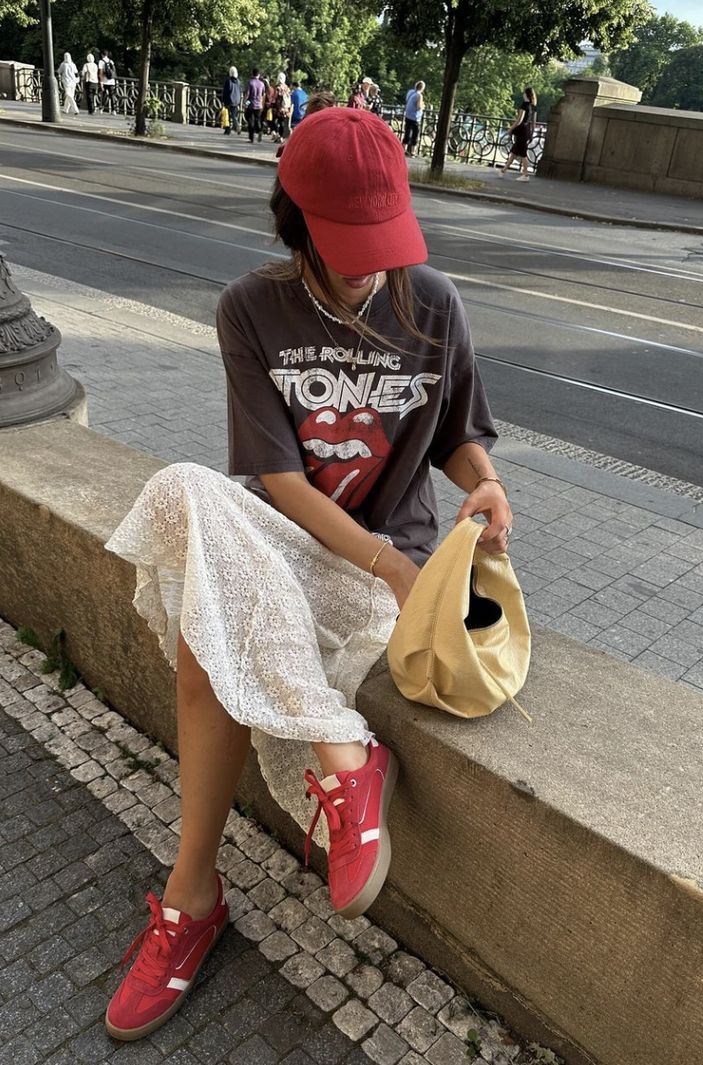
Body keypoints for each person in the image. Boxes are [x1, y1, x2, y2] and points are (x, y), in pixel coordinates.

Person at [103, 106, 512, 1042]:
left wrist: (485, 486)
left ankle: (192, 897)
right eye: (344, 241)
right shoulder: (250, 308)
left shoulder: (431, 301)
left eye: (382, 237)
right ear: (294, 221)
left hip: (383, 578)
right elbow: (277, 481)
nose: (368, 264)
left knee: (206, 645)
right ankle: (342, 754)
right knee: (186, 487)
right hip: (291, 550)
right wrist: (386, 564)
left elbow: (456, 437)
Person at [498, 86, 536, 181]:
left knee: (522, 154)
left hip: (521, 131)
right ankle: (503, 171)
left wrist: (511, 129)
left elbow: (519, 120)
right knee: (514, 152)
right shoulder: (532, 106)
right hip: (526, 130)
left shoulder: (524, 105)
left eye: (524, 93)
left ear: (526, 94)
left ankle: (525, 175)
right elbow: (533, 121)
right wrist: (532, 132)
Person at [403, 80, 425, 157]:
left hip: (407, 115)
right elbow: (418, 107)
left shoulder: (410, 92)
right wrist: (423, 106)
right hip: (415, 118)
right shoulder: (419, 95)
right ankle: (413, 152)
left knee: (407, 133)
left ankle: (403, 149)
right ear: (422, 88)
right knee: (415, 135)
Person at [246, 67, 266, 143]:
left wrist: (245, 103)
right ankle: (260, 130)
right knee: (257, 120)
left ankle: (251, 138)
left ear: (252, 74)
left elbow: (248, 94)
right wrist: (262, 104)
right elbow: (263, 95)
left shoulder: (250, 82)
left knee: (250, 120)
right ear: (259, 75)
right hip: (259, 105)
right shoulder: (262, 84)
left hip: (250, 104)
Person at [221, 66, 241, 135]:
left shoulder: (228, 81)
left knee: (229, 115)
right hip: (236, 100)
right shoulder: (238, 81)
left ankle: (230, 129)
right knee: (233, 114)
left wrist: (223, 101)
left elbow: (226, 92)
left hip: (229, 100)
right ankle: (234, 127)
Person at [272, 72, 291, 143]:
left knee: (274, 121)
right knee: (282, 122)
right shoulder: (287, 88)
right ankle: (281, 137)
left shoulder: (277, 87)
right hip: (285, 108)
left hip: (278, 107)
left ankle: (276, 134)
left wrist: (271, 104)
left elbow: (274, 97)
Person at [98, 50, 117, 114]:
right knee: (112, 95)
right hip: (112, 81)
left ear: (102, 55)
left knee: (103, 95)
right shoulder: (111, 61)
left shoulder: (101, 62)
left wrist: (101, 82)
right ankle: (114, 110)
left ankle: (101, 108)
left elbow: (101, 72)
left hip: (105, 81)